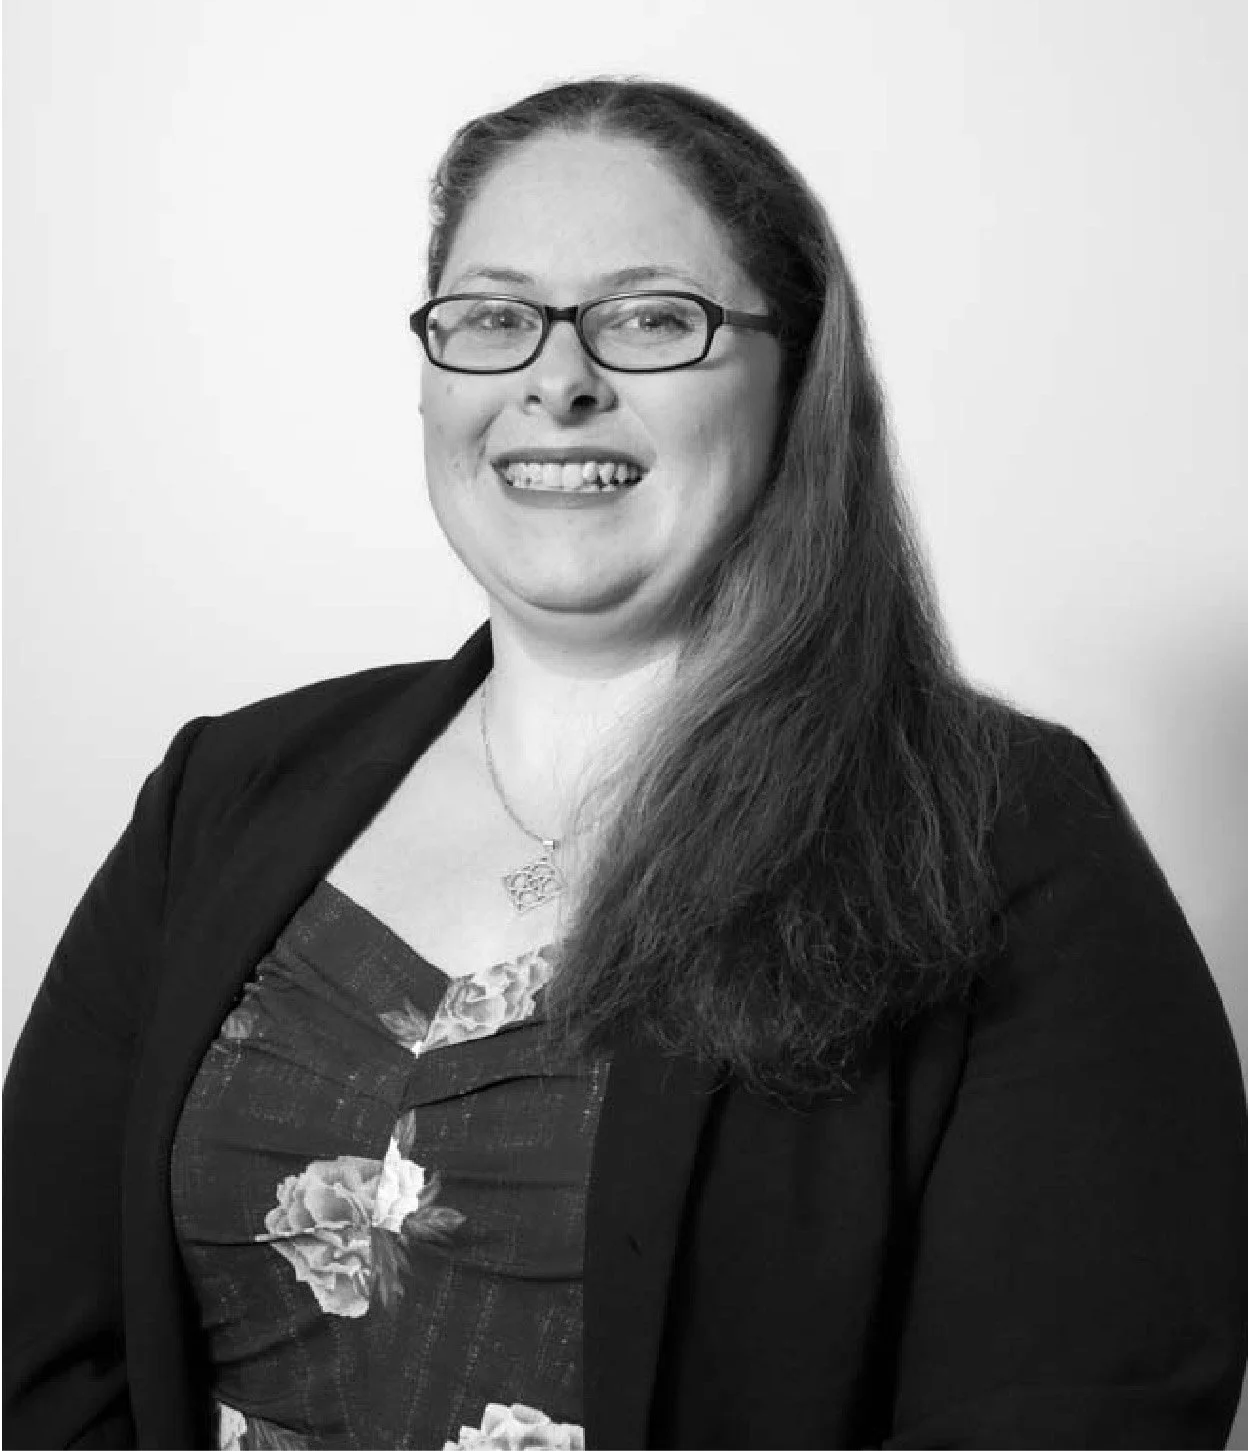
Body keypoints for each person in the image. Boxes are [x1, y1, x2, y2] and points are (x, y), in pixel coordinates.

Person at [4, 77, 1244, 1451]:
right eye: (492, 316)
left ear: (796, 381)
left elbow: (1070, 1416)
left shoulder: (1001, 832)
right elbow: (41, 1347)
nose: (557, 378)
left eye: (651, 317)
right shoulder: (225, 790)